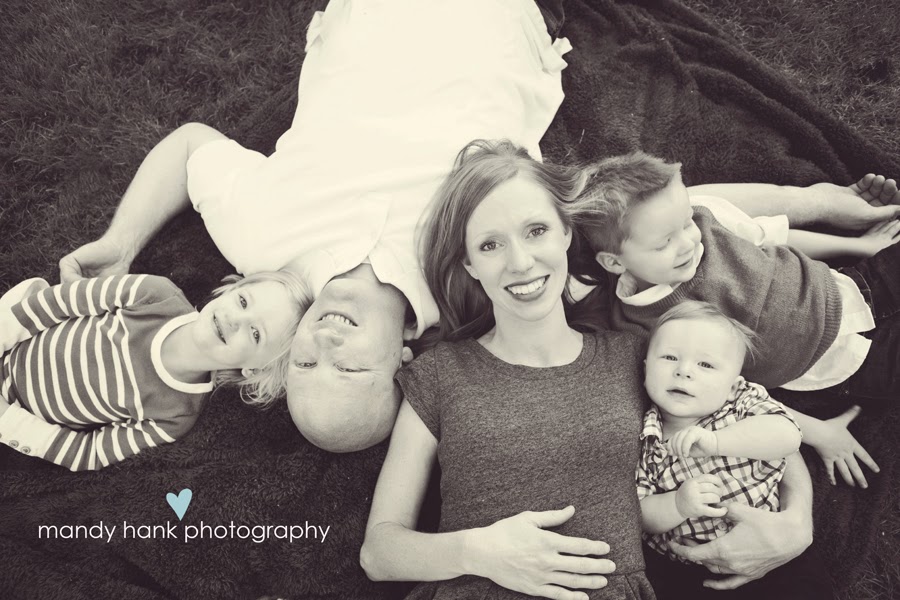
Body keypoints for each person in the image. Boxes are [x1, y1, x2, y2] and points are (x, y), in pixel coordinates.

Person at [57, 0, 900, 454]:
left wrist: (119, 243)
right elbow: (657, 213)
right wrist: (819, 203)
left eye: (306, 359)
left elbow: (192, 146)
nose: (324, 343)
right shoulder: (476, 277)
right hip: (497, 24)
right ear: (402, 361)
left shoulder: (260, 241)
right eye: (347, 367)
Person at [361, 140, 815, 598]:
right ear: (470, 264)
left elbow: (750, 417)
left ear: (565, 233)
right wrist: (476, 552)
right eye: (490, 244)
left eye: (535, 230)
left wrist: (798, 522)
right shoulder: (443, 373)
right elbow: (379, 552)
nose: (520, 263)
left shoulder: (633, 354)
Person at [583, 151, 897, 488]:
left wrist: (862, 246)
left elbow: (773, 236)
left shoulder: (708, 220)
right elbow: (723, 396)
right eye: (665, 243)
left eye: (686, 222)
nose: (688, 242)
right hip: (845, 366)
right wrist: (817, 432)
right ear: (615, 263)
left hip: (854, 284)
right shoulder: (644, 328)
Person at [0, 271, 309, 471]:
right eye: (243, 301)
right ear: (228, 290)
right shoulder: (156, 294)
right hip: (13, 336)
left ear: (255, 369)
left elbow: (90, 452)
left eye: (256, 334)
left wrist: (10, 422)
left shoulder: (177, 414)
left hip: (15, 414)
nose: (235, 320)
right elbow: (56, 303)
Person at [636, 301, 832, 600]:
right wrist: (677, 504)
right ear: (646, 368)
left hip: (774, 545)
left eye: (706, 364)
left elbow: (787, 435)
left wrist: (718, 442)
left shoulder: (740, 403)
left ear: (732, 385)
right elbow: (641, 514)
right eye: (669, 357)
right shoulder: (647, 437)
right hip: (691, 569)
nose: (684, 371)